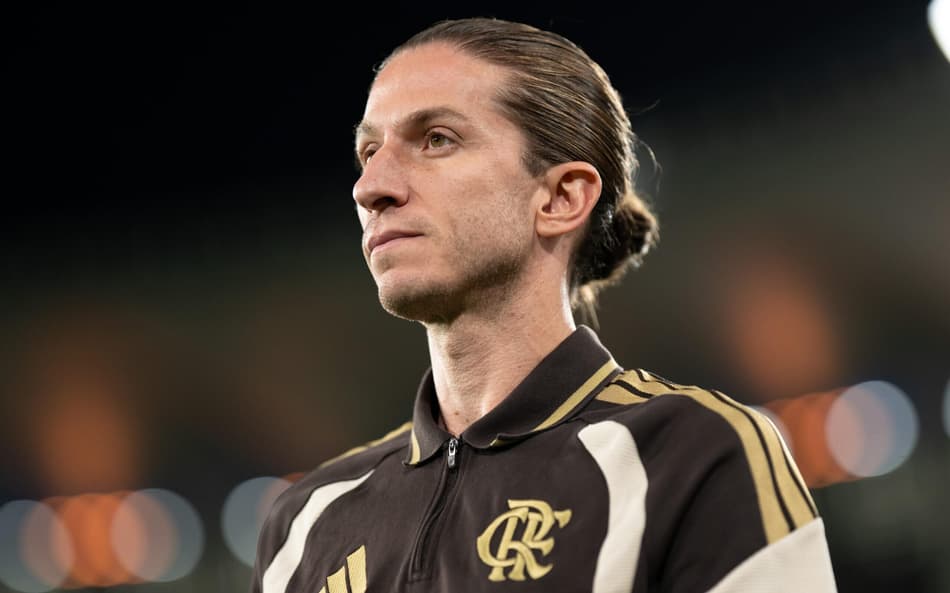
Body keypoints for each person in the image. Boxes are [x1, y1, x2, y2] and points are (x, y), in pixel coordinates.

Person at [251, 16, 838, 593]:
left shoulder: (692, 453)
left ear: (560, 198)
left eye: (435, 139)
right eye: (369, 151)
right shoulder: (301, 523)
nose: (370, 187)